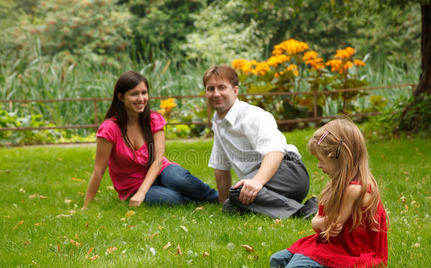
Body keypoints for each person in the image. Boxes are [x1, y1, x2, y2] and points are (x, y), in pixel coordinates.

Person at [269, 119, 388, 268]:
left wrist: (317, 222)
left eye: (321, 160)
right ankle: (319, 265)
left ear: (338, 158)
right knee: (277, 261)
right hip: (333, 242)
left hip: (350, 250)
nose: (318, 165)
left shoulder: (354, 189)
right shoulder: (339, 185)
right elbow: (322, 222)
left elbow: (332, 224)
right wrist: (318, 222)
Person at [83, 71, 218, 209]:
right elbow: (98, 171)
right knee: (171, 199)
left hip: (160, 171)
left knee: (178, 179)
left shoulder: (153, 120)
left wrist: (142, 193)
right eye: (134, 94)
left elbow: (158, 160)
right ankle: (194, 202)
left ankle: (220, 198)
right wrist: (86, 206)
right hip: (133, 185)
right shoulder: (109, 129)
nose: (141, 98)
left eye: (144, 93)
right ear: (121, 97)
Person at [204, 65, 316, 219]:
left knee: (239, 191)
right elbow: (221, 169)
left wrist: (257, 181)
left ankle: (304, 212)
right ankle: (292, 206)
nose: (216, 94)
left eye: (222, 87)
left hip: (288, 171)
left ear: (235, 91)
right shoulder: (218, 124)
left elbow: (275, 151)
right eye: (210, 89)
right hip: (267, 185)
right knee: (230, 207)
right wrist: (224, 204)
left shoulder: (253, 115)